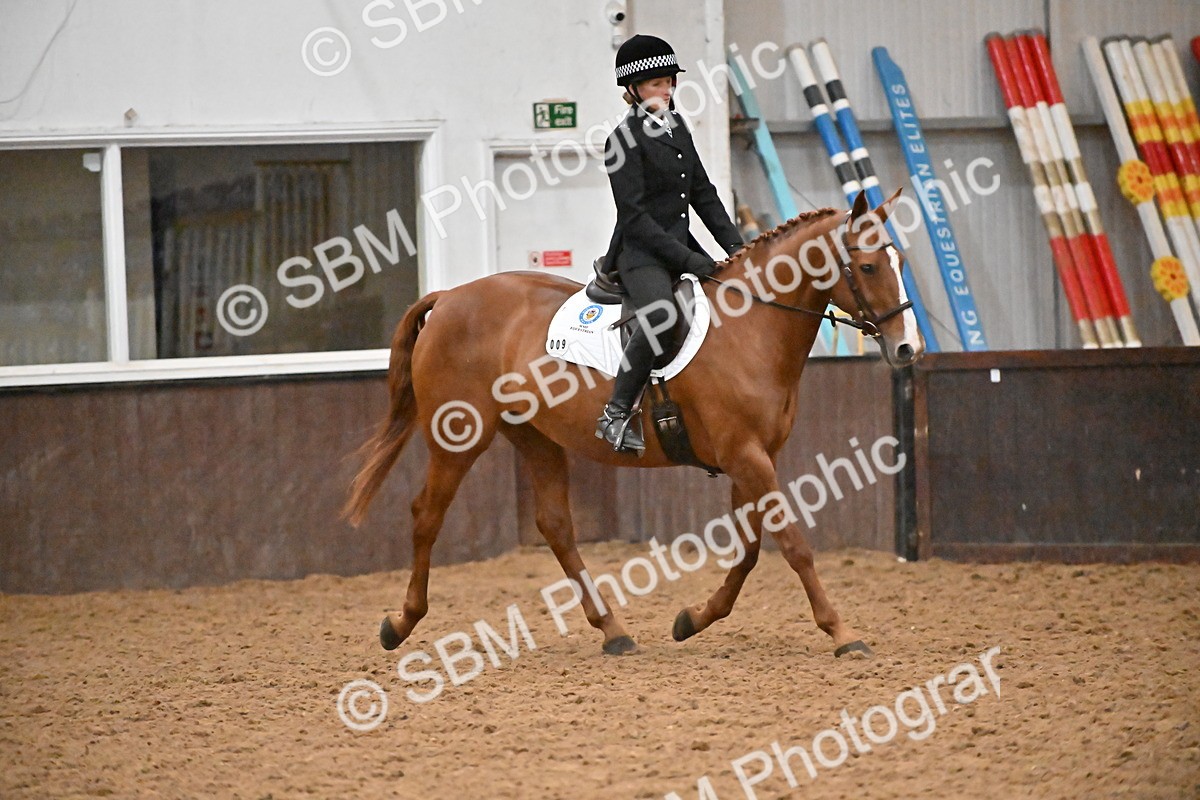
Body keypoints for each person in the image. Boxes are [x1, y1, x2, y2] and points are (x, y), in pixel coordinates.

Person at [596, 34, 745, 454]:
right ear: (633, 90)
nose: (667, 89)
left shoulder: (678, 128)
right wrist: (691, 260)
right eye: (658, 83)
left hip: (680, 246)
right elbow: (635, 219)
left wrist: (737, 248)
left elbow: (703, 193)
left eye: (669, 82)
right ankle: (616, 411)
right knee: (661, 315)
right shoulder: (620, 142)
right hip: (641, 254)